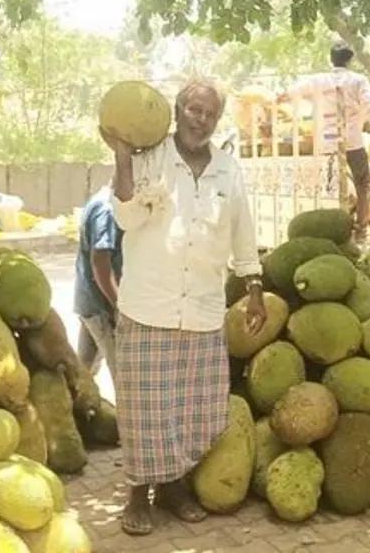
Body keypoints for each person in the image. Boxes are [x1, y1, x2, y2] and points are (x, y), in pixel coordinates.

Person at [101, 80, 265, 537]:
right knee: (144, 411)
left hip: (202, 308)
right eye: (194, 109)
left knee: (191, 409)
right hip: (148, 306)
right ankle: (138, 492)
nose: (201, 120)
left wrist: (254, 285)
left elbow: (242, 230)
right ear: (177, 111)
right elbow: (125, 216)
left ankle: (173, 487)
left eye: (210, 114)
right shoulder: (148, 159)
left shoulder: (228, 169)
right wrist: (122, 155)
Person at [280, 42, 370, 241]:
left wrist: (281, 98)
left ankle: (331, 229)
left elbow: (291, 92)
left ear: (332, 59)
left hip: (327, 142)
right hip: (352, 142)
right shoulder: (358, 80)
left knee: (328, 186)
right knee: (363, 183)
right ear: (350, 60)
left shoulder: (318, 80)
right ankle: (361, 229)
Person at [74, 184, 123, 383]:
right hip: (103, 306)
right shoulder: (108, 209)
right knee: (124, 377)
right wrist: (118, 305)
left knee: (82, 373)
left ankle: (76, 400)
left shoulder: (101, 199)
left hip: (90, 301)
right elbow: (100, 260)